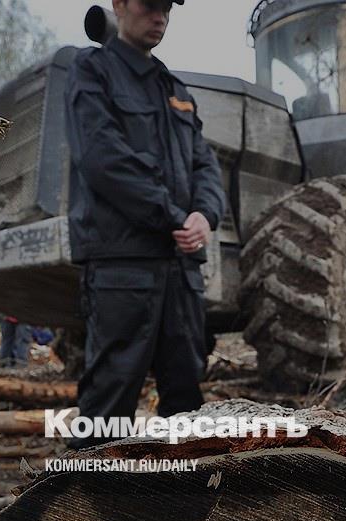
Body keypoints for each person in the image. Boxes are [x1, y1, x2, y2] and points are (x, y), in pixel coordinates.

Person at [64, 0, 226, 448]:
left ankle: (181, 488)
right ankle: (88, 488)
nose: (160, 16)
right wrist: (174, 216)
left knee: (186, 398)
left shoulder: (175, 89)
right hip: (123, 267)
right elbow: (103, 159)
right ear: (119, 5)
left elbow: (204, 164)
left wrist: (205, 214)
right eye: (149, 5)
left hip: (181, 269)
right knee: (108, 403)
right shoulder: (93, 70)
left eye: (166, 7)